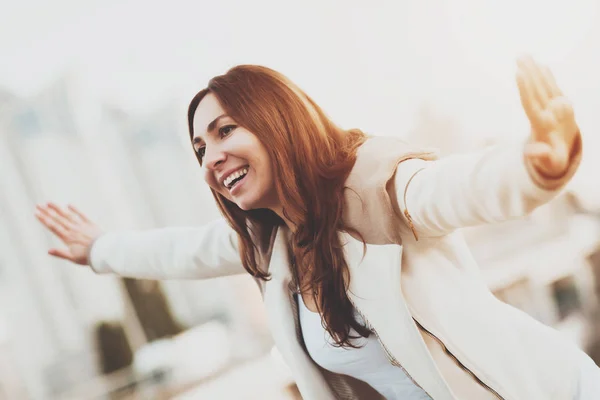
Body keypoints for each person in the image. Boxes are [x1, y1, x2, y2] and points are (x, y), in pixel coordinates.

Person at [35, 56, 600, 400]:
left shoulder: (376, 184)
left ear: (275, 121)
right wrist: (100, 249)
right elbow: (181, 251)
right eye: (200, 147)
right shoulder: (271, 247)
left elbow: (454, 188)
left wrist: (536, 165)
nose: (211, 156)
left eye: (226, 130)